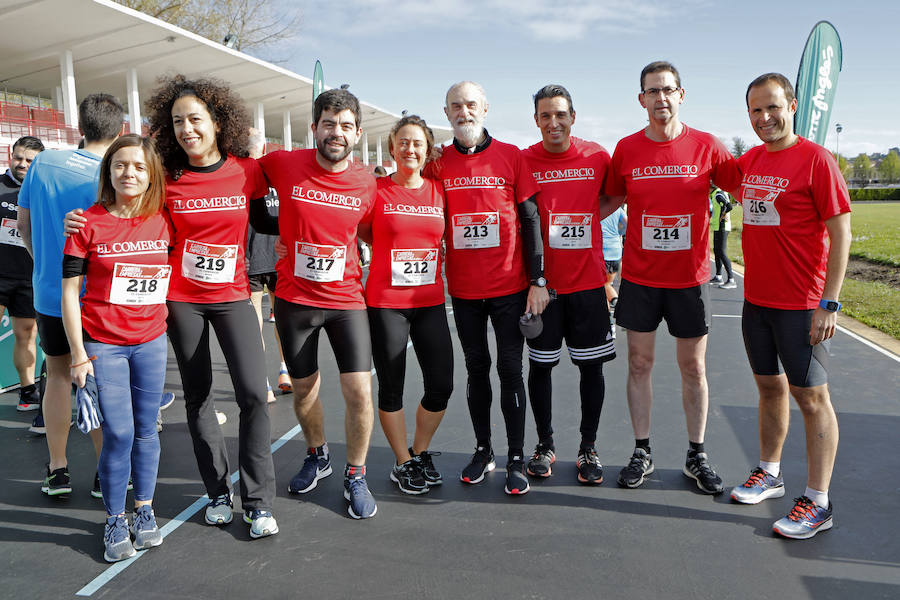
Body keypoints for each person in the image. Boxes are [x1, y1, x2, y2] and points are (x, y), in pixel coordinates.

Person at [64, 77, 280, 537]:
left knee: (253, 395)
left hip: (234, 296)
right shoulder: (167, 174)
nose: (187, 129)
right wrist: (78, 216)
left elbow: (272, 217)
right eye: (178, 121)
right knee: (198, 396)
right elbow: (122, 196)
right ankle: (218, 492)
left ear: (218, 123)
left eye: (196, 119)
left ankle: (258, 501)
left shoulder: (247, 170)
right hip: (182, 300)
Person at [602, 61, 741, 494]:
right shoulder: (626, 149)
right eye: (652, 91)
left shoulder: (707, 146)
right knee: (640, 364)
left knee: (693, 367)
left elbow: (744, 187)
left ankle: (696, 454)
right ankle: (641, 450)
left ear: (681, 95)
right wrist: (558, 234)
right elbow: (607, 200)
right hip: (641, 278)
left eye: (667, 90)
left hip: (690, 278)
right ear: (641, 99)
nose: (660, 98)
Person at [729, 73, 850, 540]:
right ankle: (770, 473)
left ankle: (819, 502)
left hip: (802, 304)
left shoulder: (817, 160)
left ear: (793, 105)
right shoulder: (751, 161)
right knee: (769, 389)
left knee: (812, 398)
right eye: (755, 110)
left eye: (772, 107)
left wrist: (830, 303)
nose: (764, 118)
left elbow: (841, 234)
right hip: (756, 301)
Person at [258, 89, 379, 519]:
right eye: (329, 123)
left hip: (346, 300)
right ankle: (318, 454)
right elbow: (242, 182)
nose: (336, 132)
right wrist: (251, 144)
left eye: (346, 126)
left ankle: (356, 473)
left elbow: (368, 231)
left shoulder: (367, 181)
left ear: (358, 134)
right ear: (315, 128)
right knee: (305, 388)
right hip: (294, 300)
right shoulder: (283, 165)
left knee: (359, 390)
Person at [427, 81, 548, 495]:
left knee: (511, 370)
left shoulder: (511, 156)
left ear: (485, 108)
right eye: (456, 106)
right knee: (476, 369)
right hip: (463, 292)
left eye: (471, 104)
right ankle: (484, 449)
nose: (464, 111)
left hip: (509, 290)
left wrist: (538, 280)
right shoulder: (438, 162)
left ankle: (516, 455)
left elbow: (531, 220)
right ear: (446, 114)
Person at [61, 134, 170, 561]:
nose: (130, 173)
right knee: (119, 432)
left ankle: (143, 509)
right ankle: (114, 518)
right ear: (108, 171)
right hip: (103, 344)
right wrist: (77, 353)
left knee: (146, 430)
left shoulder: (165, 219)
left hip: (151, 342)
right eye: (121, 165)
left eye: (139, 167)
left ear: (151, 175)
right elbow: (70, 292)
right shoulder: (85, 222)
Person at [18, 94, 123, 496]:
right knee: (95, 380)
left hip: (48, 292)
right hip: (93, 298)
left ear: (80, 126)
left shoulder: (42, 163)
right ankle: (103, 473)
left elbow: (23, 223)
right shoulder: (115, 172)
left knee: (58, 375)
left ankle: (58, 469)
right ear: (118, 132)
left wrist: (42, 261)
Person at [520, 85, 615, 484]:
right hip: (543, 289)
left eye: (560, 114)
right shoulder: (524, 160)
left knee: (590, 370)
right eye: (545, 115)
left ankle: (588, 447)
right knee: (540, 369)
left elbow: (615, 195)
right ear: (536, 120)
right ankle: (544, 444)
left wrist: (588, 218)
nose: (553, 122)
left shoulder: (596, 156)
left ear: (573, 117)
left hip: (588, 284)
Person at [358, 115, 453, 495]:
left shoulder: (438, 191)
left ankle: (420, 450)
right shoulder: (377, 190)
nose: (410, 149)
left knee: (441, 384)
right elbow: (361, 229)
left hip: (429, 301)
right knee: (392, 387)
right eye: (403, 142)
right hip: (386, 303)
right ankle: (402, 461)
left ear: (427, 150)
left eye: (417, 143)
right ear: (392, 147)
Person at [245, 128, 291, 401]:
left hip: (252, 258)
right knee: (281, 320)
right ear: (263, 148)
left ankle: (263, 382)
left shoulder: (239, 174)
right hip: (276, 257)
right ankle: (285, 371)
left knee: (255, 323)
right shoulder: (276, 174)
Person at [1, 136, 44, 414]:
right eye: (18, 158)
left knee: (26, 336)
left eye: (30, 160)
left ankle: (27, 391)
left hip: (28, 277)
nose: (22, 164)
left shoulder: (44, 190)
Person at [601, 205, 627, 339]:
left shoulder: (598, 207)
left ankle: (610, 324)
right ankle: (617, 303)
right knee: (608, 285)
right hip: (616, 253)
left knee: (602, 288)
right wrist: (617, 234)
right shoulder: (617, 209)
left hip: (602, 253)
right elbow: (625, 225)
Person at [709, 185, 735, 289]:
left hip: (722, 227)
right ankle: (718, 276)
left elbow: (729, 206)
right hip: (717, 227)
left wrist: (722, 216)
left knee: (722, 252)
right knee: (716, 251)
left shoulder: (718, 194)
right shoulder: (715, 194)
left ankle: (731, 279)